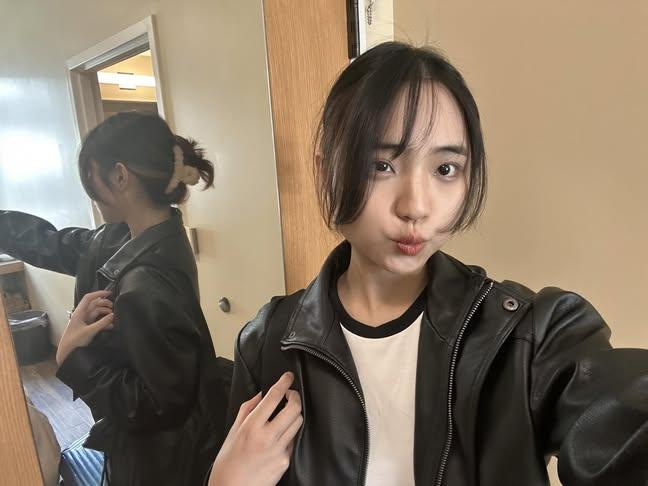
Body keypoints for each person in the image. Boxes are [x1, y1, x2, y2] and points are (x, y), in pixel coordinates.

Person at [226, 42, 648, 485]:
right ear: (325, 170)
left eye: (446, 169)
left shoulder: (529, 334)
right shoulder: (268, 342)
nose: (416, 206)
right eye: (381, 165)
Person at [1, 112, 231, 485]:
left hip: (157, 462)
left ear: (121, 176)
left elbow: (158, 404)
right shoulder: (125, 235)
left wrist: (72, 355)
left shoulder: (147, 283)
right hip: (141, 444)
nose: (89, 190)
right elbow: (55, 244)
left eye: (91, 177)